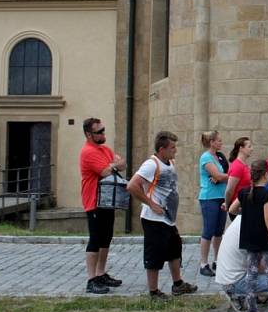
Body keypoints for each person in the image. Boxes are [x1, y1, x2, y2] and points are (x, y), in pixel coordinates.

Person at [126, 131, 198, 300]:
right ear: (161, 149)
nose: (176, 150)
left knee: (174, 250)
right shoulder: (151, 164)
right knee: (155, 255)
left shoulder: (170, 162)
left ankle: (178, 284)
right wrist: (150, 203)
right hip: (153, 219)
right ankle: (153, 291)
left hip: (168, 219)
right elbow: (132, 185)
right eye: (172, 147)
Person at [228, 159, 268, 312]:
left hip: (249, 238)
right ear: (266, 174)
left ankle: (252, 311)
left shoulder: (244, 192)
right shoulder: (266, 194)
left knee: (251, 274)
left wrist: (246, 211)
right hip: (265, 239)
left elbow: (232, 209)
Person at [79, 117, 126, 294]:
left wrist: (114, 165)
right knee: (96, 239)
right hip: (94, 201)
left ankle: (101, 273)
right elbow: (106, 171)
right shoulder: (88, 152)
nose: (103, 134)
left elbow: (120, 164)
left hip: (107, 201)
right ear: (88, 134)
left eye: (103, 130)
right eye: (99, 132)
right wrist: (114, 165)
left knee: (106, 238)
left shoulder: (104, 149)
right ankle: (91, 280)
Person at [215, 214, 268, 312]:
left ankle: (255, 295)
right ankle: (240, 295)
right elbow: (257, 266)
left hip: (229, 277)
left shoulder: (243, 218)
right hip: (235, 281)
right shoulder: (253, 229)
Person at [198, 130, 229, 277]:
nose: (221, 142)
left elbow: (223, 173)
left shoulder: (220, 157)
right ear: (211, 142)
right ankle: (203, 263)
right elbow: (217, 175)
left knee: (219, 231)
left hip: (221, 197)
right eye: (219, 140)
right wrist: (233, 176)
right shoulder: (206, 157)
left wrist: (223, 177)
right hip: (209, 197)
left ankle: (218, 260)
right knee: (208, 231)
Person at [225, 137, 253, 221]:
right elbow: (229, 190)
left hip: (245, 205)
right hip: (238, 207)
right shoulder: (237, 166)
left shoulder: (245, 165)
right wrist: (227, 204)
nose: (252, 149)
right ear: (241, 148)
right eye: (249, 146)